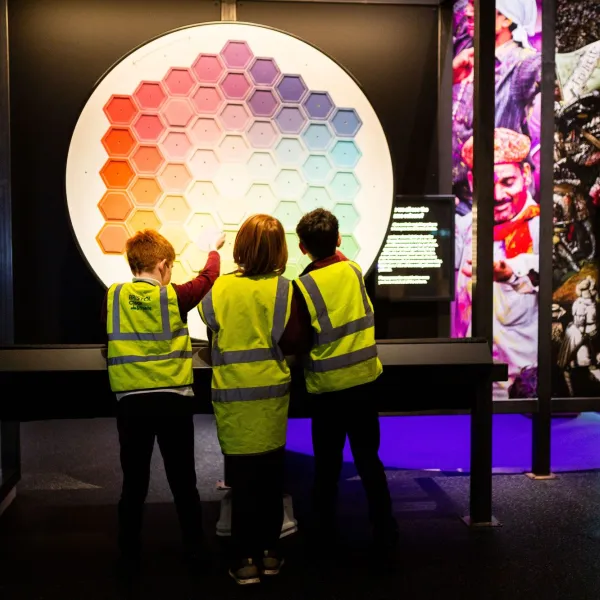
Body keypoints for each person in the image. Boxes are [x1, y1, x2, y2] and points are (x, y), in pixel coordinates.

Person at [101, 228, 224, 572]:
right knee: (183, 481)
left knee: (134, 483)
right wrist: (212, 249)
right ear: (163, 265)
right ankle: (195, 550)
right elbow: (208, 278)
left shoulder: (113, 296)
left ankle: (128, 555)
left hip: (131, 402)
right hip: (173, 400)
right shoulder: (173, 296)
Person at [292, 208, 398, 558]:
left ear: (302, 248)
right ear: (338, 240)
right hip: (366, 383)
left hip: (326, 391)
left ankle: (323, 541)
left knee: (326, 467)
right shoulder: (354, 270)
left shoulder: (303, 285)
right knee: (370, 461)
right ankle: (385, 535)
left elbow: (298, 339)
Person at [198, 214, 293, 586]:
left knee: (243, 483)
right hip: (271, 399)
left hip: (233, 399)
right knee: (271, 481)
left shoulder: (218, 289)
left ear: (240, 247)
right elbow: (294, 339)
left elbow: (211, 329)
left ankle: (243, 560)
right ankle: (270, 554)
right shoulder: (284, 289)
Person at [453, 128, 540, 399]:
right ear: (471, 180)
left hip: (520, 393)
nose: (498, 194)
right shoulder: (466, 229)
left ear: (525, 174)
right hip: (470, 385)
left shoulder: (544, 229)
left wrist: (510, 273)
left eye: (507, 182)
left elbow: (547, 271)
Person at [452, 0, 541, 213]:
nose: (468, 11)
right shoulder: (466, 45)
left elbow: (547, 70)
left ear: (507, 18)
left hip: (490, 207)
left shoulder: (521, 65)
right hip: (452, 202)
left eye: (476, 5)